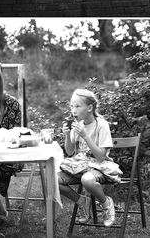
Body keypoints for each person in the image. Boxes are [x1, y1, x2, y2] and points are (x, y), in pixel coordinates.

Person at [58, 89, 116, 227]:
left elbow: (101, 156)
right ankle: (83, 202)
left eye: (77, 106)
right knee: (52, 180)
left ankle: (106, 203)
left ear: (89, 108)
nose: (73, 110)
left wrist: (85, 136)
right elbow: (70, 152)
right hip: (81, 166)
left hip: (99, 166)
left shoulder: (101, 125)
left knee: (87, 180)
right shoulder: (77, 125)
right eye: (72, 106)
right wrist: (67, 135)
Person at [0, 67, 23, 221]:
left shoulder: (11, 103)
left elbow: (15, 137)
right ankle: (0, 210)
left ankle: (0, 211)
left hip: (10, 156)